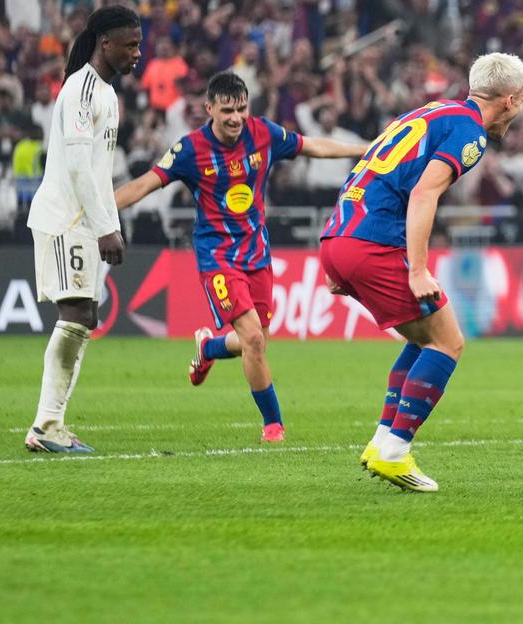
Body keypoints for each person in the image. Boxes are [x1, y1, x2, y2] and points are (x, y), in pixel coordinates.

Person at [114, 72, 369, 442]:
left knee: (258, 341)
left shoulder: (263, 134)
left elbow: (313, 145)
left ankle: (209, 346)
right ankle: (274, 426)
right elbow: (143, 184)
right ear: (209, 110)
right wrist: (99, 214)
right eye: (227, 110)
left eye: (241, 109)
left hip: (257, 254)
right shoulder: (190, 150)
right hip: (217, 256)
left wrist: (365, 148)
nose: (235, 117)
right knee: (252, 338)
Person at [321, 52, 523, 492]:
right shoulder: (470, 132)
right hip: (374, 241)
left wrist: (337, 253)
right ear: (510, 100)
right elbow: (423, 193)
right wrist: (418, 269)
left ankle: (382, 441)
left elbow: (368, 167)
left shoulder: (429, 112)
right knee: (447, 342)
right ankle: (395, 450)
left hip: (341, 235)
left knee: (424, 338)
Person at [24, 5, 141, 453]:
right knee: (75, 314)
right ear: (104, 43)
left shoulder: (107, 94)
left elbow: (96, 169)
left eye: (139, 44)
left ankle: (52, 424)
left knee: (84, 317)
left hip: (83, 222)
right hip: (66, 219)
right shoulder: (82, 90)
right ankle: (47, 425)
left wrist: (104, 224)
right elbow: (77, 168)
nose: (137, 53)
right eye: (130, 44)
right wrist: (106, 226)